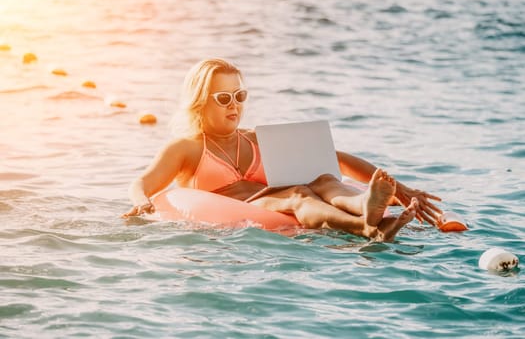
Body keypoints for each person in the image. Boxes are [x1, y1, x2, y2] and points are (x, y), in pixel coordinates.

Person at [123, 58, 442, 241]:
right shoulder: (188, 147)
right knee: (298, 196)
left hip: (279, 195)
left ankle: (365, 206)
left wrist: (400, 189)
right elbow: (143, 184)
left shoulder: (256, 138)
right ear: (200, 102)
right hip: (247, 205)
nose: (234, 105)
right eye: (223, 99)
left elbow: (337, 159)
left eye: (240, 96)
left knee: (322, 181)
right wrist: (141, 204)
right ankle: (363, 226)